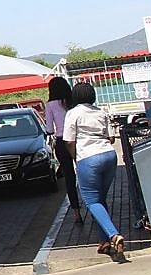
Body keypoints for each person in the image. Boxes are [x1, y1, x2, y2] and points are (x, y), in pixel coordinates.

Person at [63, 83, 127, 262]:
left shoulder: (73, 113)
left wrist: (76, 157)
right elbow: (111, 137)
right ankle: (104, 242)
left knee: (91, 201)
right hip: (109, 155)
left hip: (88, 158)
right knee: (99, 200)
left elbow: (68, 140)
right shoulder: (100, 112)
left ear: (75, 97)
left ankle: (114, 236)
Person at [44, 77, 83, 223]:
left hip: (62, 141)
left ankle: (76, 212)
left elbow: (49, 129)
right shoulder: (73, 102)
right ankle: (92, 205)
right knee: (84, 172)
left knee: (69, 177)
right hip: (78, 140)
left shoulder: (50, 105)